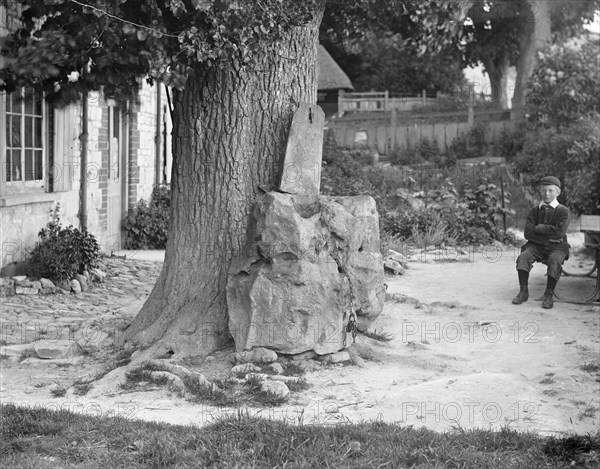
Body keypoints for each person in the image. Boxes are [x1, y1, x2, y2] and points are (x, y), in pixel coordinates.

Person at [512, 176, 570, 309]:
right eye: (544, 191)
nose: (547, 194)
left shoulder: (563, 211)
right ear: (540, 192)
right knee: (523, 257)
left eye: (550, 190)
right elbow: (528, 233)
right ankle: (523, 292)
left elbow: (559, 232)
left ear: (558, 192)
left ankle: (548, 295)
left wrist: (539, 228)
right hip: (536, 246)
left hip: (558, 246)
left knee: (555, 260)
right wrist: (548, 235)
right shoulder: (534, 210)